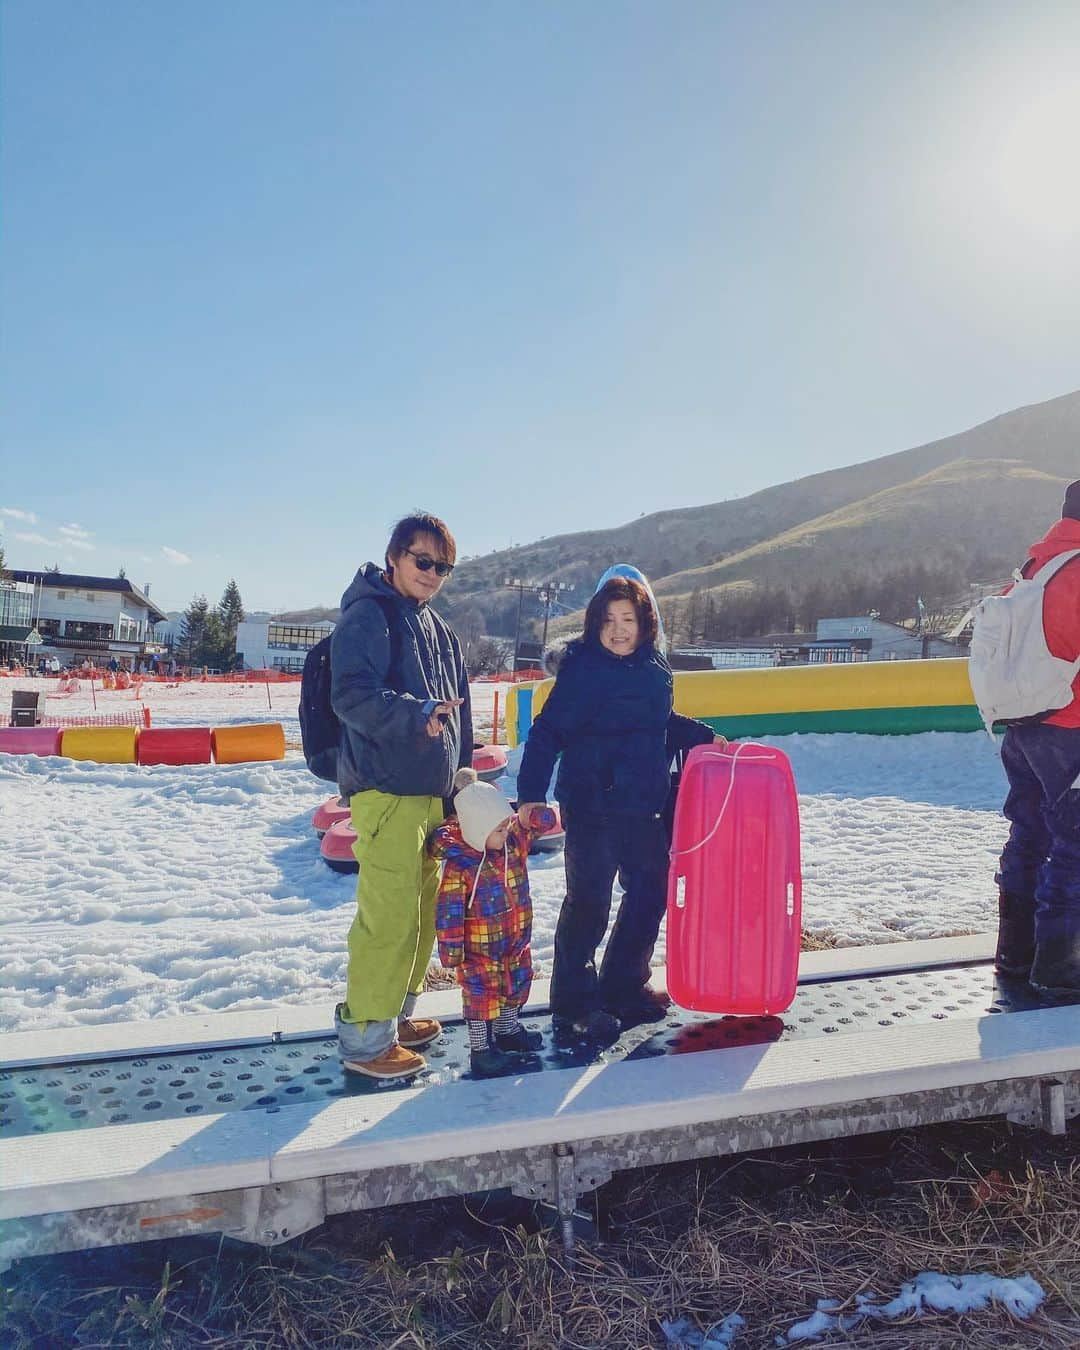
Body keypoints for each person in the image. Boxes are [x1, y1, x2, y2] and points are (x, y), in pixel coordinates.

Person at [516, 575, 723, 1040]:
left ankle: (623, 985)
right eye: (608, 620)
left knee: (650, 894)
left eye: (627, 619)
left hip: (644, 804)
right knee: (589, 903)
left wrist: (702, 736)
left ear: (645, 622)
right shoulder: (584, 671)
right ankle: (574, 1004)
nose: (618, 629)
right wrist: (532, 793)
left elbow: (657, 724)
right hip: (592, 805)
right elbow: (547, 733)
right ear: (594, 624)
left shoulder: (655, 668)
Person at [331, 511, 473, 1079]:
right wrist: (415, 715)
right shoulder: (369, 617)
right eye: (423, 560)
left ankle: (396, 1017)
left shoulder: (437, 628)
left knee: (420, 915)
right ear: (394, 557)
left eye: (444, 566)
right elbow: (351, 696)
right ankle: (366, 1040)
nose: (433, 573)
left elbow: (457, 712)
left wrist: (462, 777)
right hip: (386, 790)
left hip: (430, 795)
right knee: (386, 918)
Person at [995, 479, 1080, 1000]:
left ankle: (1015, 954)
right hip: (1072, 729)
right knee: (1075, 847)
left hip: (1023, 728)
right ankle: (1061, 968)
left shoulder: (1035, 570)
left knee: (1030, 835)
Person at [429, 767, 555, 1078]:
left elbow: (534, 827)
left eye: (506, 825)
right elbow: (448, 910)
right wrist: (452, 952)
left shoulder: (511, 844)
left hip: (514, 940)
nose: (506, 833)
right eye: (498, 829)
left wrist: (536, 816)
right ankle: (481, 1050)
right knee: (481, 999)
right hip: (478, 951)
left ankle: (508, 1030)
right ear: (475, 830)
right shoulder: (461, 866)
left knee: (516, 986)